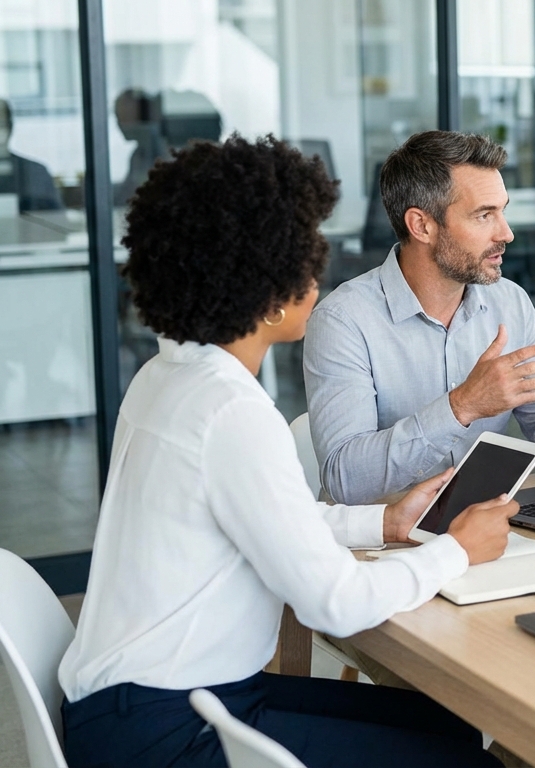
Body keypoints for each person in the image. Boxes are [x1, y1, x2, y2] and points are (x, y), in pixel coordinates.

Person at [57, 135, 510, 767]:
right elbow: (337, 604)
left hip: (145, 699)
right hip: (164, 731)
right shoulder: (232, 413)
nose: (318, 270)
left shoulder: (173, 377)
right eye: (304, 254)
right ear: (265, 287)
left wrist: (381, 521)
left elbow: (263, 510)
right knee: (470, 759)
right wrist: (457, 551)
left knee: (455, 724)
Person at [304, 130, 535, 506]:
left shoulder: (510, 303)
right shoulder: (342, 321)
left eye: (503, 211)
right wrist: (463, 406)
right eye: (485, 215)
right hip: (379, 543)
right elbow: (343, 481)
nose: (507, 234)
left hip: (480, 523)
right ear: (422, 226)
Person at [0, 98, 63, 212]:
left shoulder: (36, 173)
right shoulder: (36, 172)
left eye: (0, 125)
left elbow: (56, 222)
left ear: (9, 128)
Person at [112, 88, 167, 206]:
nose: (119, 124)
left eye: (122, 117)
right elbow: (125, 194)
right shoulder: (138, 155)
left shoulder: (162, 152)